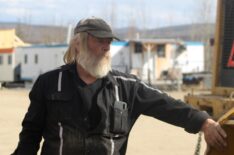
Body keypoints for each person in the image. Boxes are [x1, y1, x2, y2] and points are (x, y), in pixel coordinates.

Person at [12, 17, 227, 155]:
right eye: (100, 41)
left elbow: (166, 105)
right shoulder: (50, 83)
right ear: (78, 43)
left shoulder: (126, 87)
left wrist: (203, 122)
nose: (107, 47)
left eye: (109, 42)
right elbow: (30, 136)